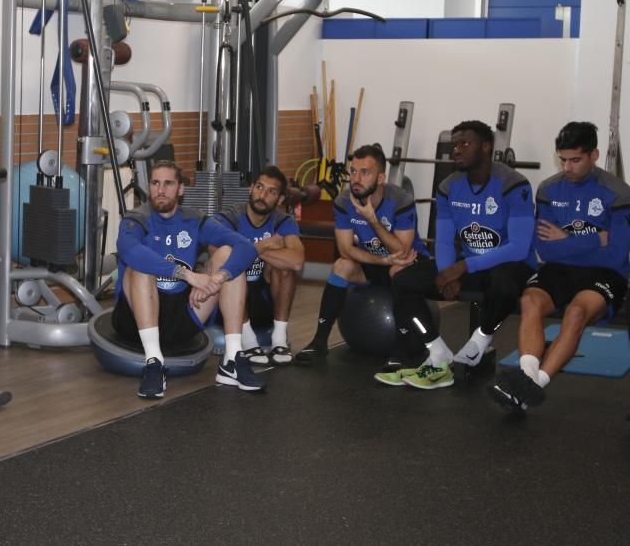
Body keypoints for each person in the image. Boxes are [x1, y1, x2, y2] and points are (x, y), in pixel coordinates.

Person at [377, 120, 536, 390]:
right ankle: (438, 353)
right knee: (403, 280)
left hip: (510, 264)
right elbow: (444, 239)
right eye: (454, 145)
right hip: (468, 263)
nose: (456, 150)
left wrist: (461, 268)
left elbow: (519, 247)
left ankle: (480, 340)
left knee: (504, 283)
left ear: (486, 147)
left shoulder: (513, 184)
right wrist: (446, 271)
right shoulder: (449, 186)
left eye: (465, 144)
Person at [490, 122, 630, 413]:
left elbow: (617, 255)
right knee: (530, 301)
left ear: (594, 155)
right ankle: (527, 380)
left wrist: (568, 238)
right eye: (563, 159)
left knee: (576, 313)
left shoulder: (617, 193)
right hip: (559, 268)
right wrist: (598, 238)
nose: (568, 167)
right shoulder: (549, 189)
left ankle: (534, 385)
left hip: (606, 273)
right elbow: (547, 248)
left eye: (575, 160)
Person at [114, 161, 262, 398]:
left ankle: (232, 359)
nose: (160, 190)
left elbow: (246, 247)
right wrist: (188, 275)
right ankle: (154, 362)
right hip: (135, 319)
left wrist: (215, 278)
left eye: (168, 183)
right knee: (140, 266)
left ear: (181, 189)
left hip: (182, 316)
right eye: (155, 183)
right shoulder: (136, 219)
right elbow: (128, 248)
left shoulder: (195, 220)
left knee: (228, 256)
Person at [295, 144, 426, 367]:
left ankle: (402, 349)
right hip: (375, 262)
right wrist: (381, 260)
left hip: (409, 264)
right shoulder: (344, 201)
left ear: (381, 178)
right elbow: (346, 249)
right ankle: (319, 341)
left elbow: (402, 251)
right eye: (353, 171)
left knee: (397, 268)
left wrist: (372, 219)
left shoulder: (401, 201)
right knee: (341, 265)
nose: (356, 178)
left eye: (365, 172)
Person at [213, 166, 305, 366]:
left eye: (271, 192)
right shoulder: (230, 217)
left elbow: (297, 261)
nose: (262, 195)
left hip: (265, 298)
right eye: (259, 187)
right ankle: (247, 339)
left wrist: (247, 249)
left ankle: (279, 339)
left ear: (280, 199)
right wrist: (265, 245)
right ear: (250, 188)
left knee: (286, 268)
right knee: (233, 267)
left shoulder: (284, 221)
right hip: (230, 301)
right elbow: (217, 256)